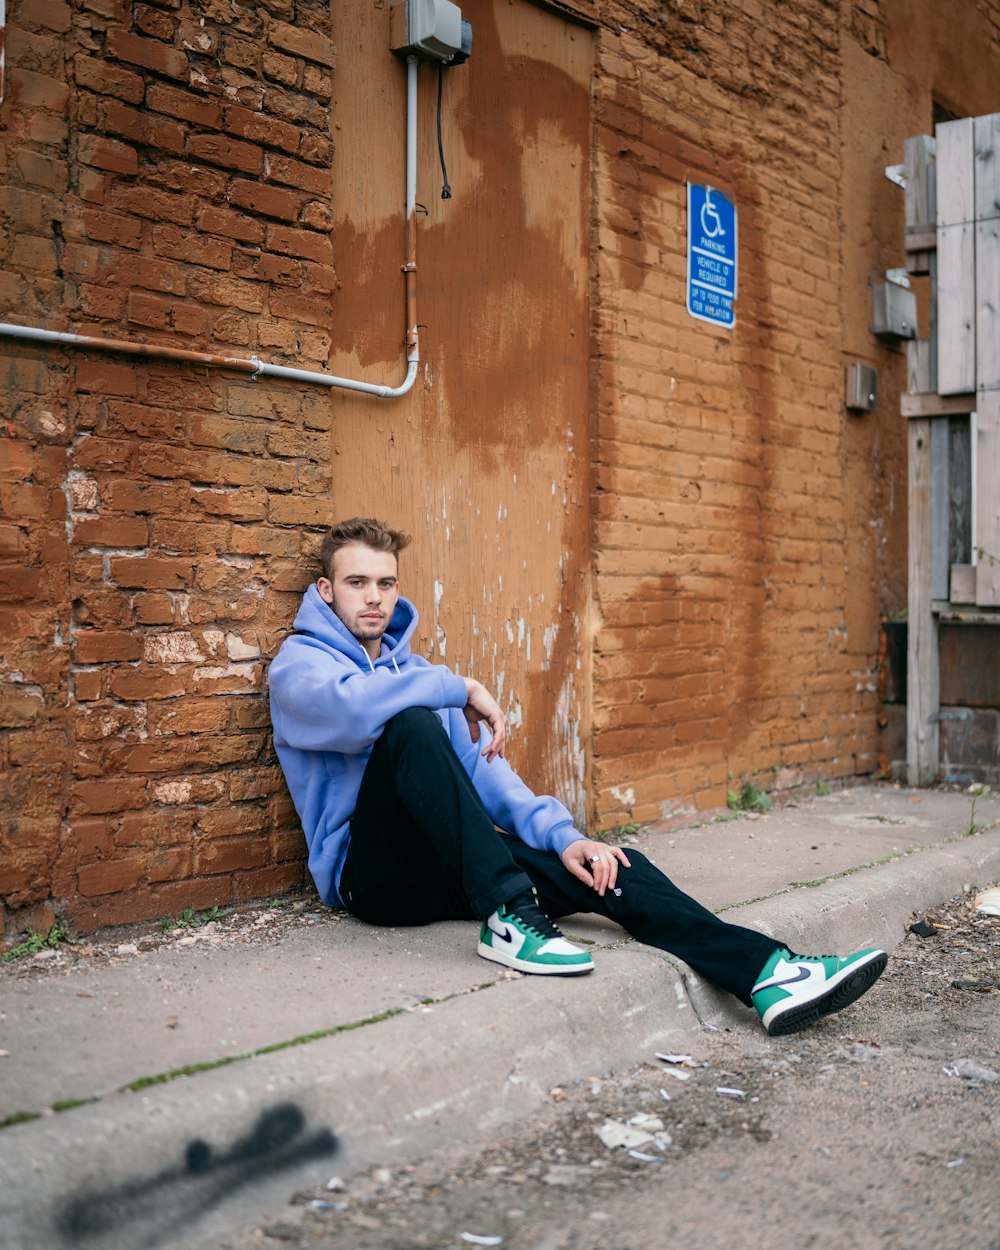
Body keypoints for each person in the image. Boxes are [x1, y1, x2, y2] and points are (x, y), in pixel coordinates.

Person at [268, 517, 887, 1037]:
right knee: (408, 726)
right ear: (326, 591)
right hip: (369, 880)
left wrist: (567, 839)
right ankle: (510, 915)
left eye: (385, 582)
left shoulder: (419, 677)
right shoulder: (300, 668)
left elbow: (489, 781)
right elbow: (354, 712)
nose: (374, 597)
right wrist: (460, 687)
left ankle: (765, 974)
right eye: (357, 583)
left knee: (608, 866)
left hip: (442, 865)